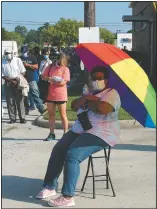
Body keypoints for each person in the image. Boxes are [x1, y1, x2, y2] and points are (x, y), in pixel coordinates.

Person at [36, 66, 121, 207]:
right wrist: (86, 97)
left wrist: (90, 99)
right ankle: (50, 186)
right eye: (94, 78)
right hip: (80, 129)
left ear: (106, 80)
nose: (96, 80)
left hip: (101, 133)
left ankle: (68, 196)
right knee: (59, 149)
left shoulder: (112, 93)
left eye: (100, 78)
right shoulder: (89, 92)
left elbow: (102, 109)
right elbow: (75, 105)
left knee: (72, 155)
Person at [41, 53, 70, 141]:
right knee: (51, 115)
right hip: (50, 94)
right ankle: (52, 133)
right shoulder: (50, 67)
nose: (59, 62)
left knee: (63, 115)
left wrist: (53, 80)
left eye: (61, 60)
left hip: (61, 95)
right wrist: (50, 79)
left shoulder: (65, 69)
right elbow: (43, 76)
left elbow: (63, 83)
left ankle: (65, 134)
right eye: (58, 60)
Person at [2, 48, 26, 124]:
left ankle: (22, 118)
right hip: (8, 83)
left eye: (8, 53)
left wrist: (17, 79)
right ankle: (12, 118)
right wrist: (11, 81)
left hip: (18, 83)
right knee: (10, 102)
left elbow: (23, 71)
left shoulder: (17, 60)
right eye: (6, 53)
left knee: (20, 101)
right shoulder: (3, 62)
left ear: (12, 53)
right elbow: (2, 75)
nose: (7, 55)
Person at [20, 46, 44, 114]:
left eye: (25, 52)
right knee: (24, 95)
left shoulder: (32, 57)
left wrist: (27, 65)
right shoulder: (19, 58)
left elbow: (36, 67)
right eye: (23, 52)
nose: (24, 53)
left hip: (32, 79)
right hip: (23, 79)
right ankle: (26, 109)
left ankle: (41, 109)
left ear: (27, 51)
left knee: (35, 94)